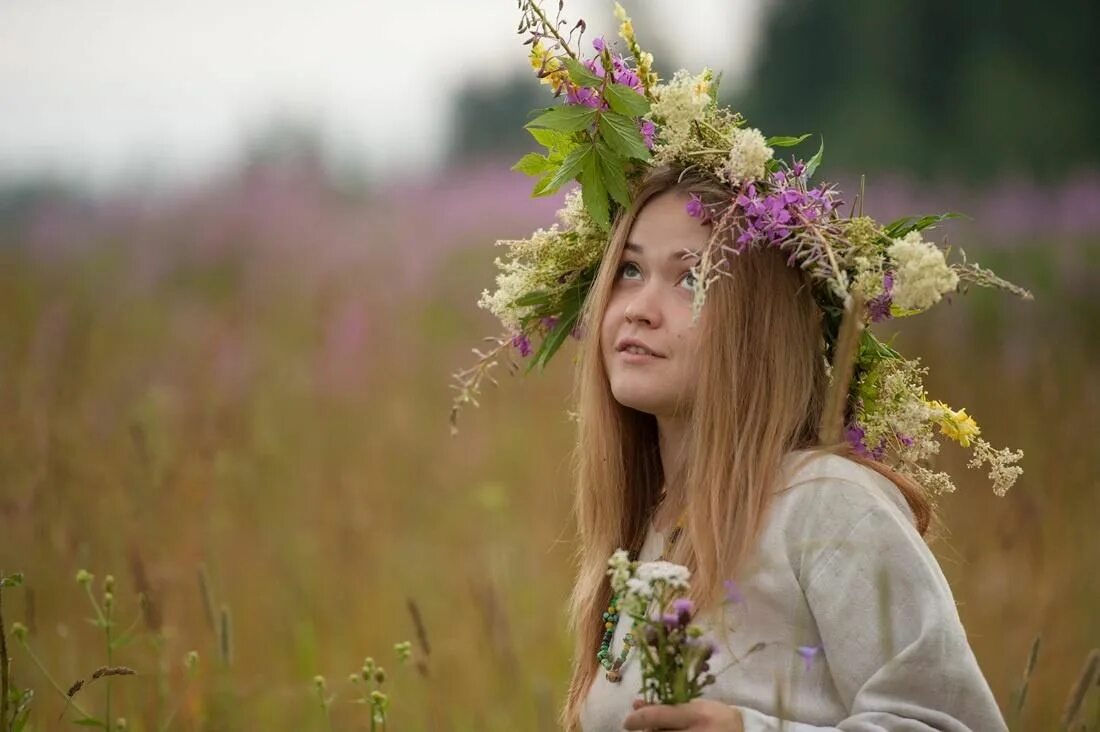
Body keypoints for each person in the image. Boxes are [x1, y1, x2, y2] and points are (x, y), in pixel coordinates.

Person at [560, 165, 1007, 732]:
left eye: (692, 279)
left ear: (758, 324)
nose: (638, 308)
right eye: (629, 269)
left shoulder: (828, 505)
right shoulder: (650, 525)